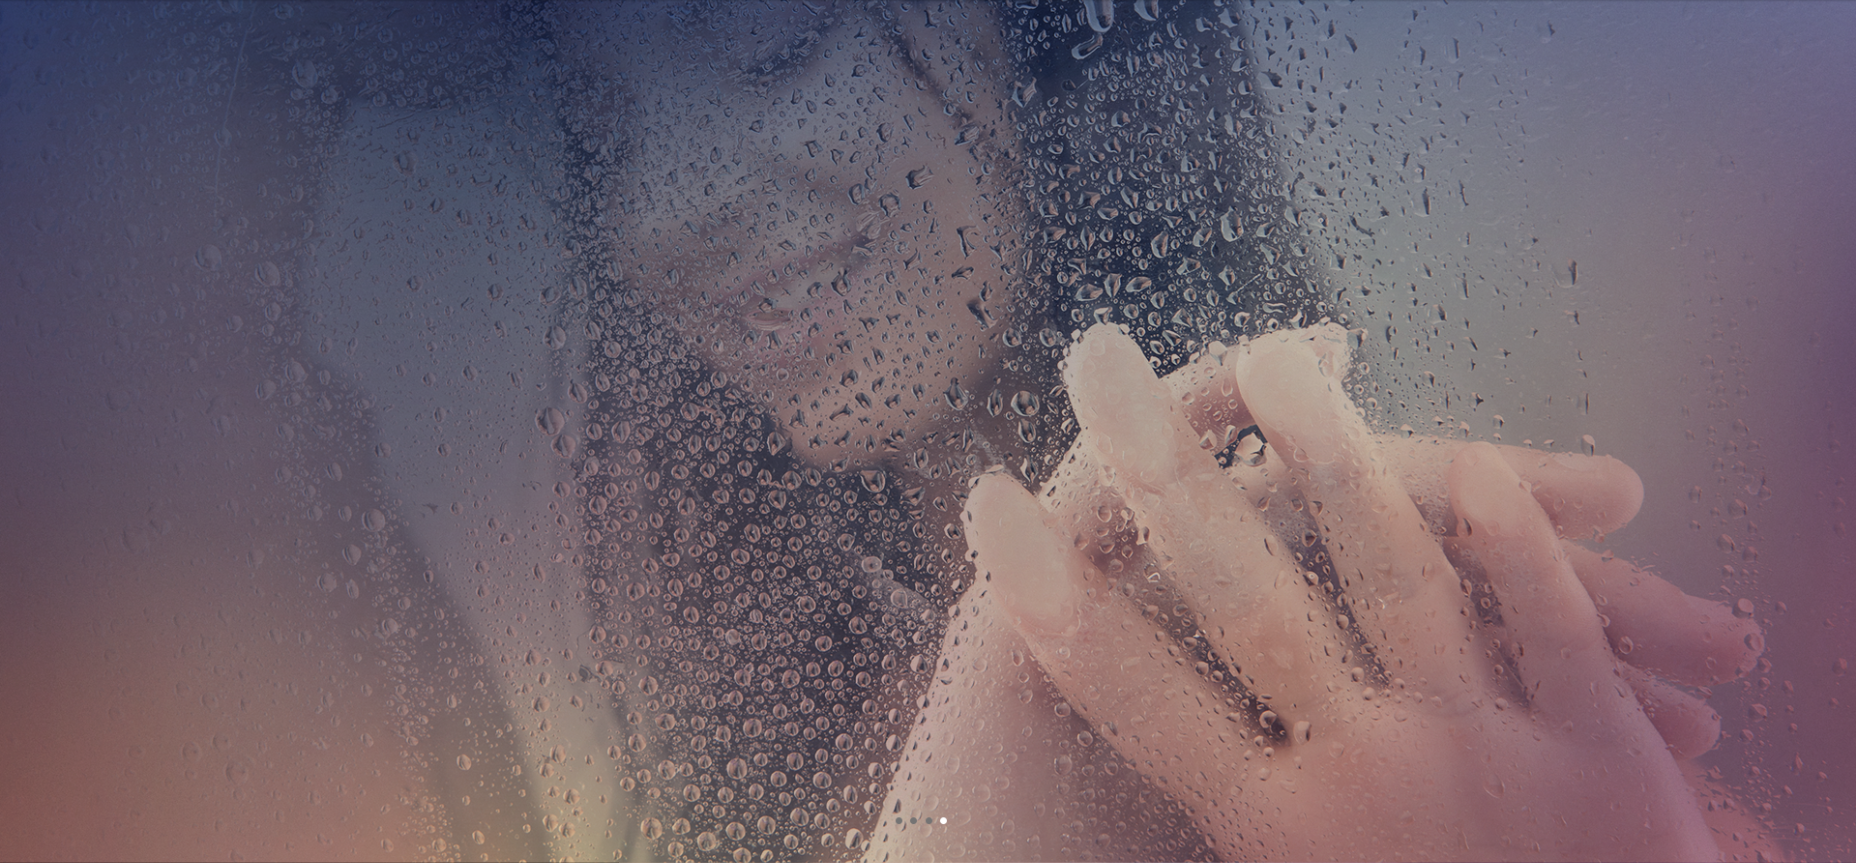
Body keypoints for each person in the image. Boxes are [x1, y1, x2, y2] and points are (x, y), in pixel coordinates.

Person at [0, 1, 1779, 860]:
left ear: (1054, 55)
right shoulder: (679, 672)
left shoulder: (1416, 673)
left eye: (771, 46)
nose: (666, 210)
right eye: (606, 144)